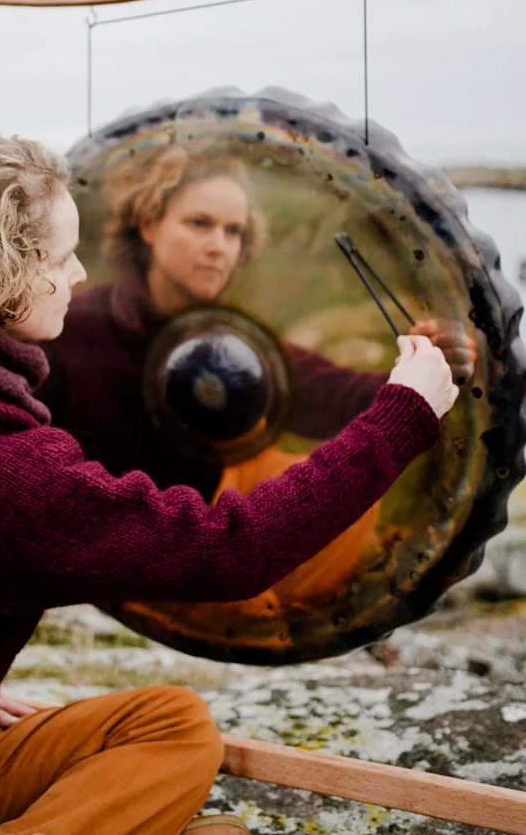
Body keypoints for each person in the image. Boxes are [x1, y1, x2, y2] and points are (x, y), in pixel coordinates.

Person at [0, 128, 457, 835]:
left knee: (171, 725)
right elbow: (231, 553)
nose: (78, 275)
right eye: (59, 256)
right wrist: (403, 416)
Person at [42, 144, 476, 603]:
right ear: (148, 224)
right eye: (200, 223)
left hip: (209, 548)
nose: (219, 247)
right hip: (116, 553)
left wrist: (427, 369)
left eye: (234, 232)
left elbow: (335, 396)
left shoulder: (232, 342)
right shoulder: (71, 330)